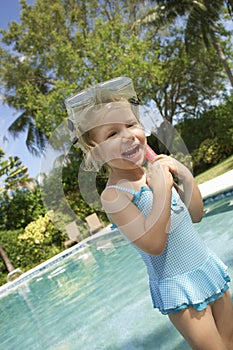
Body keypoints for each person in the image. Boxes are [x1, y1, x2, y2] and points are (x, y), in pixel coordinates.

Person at [65, 77, 233, 350]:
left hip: (206, 267)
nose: (128, 135)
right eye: (111, 134)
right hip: (180, 289)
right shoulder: (115, 195)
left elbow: (196, 214)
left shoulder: (152, 171)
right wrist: (162, 188)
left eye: (131, 125)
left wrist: (185, 177)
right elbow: (154, 244)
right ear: (95, 154)